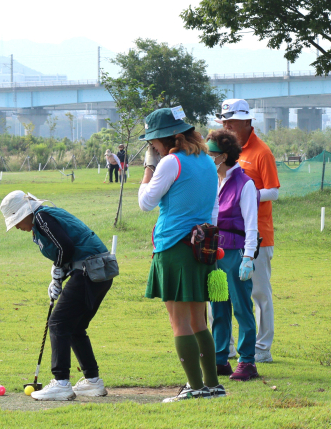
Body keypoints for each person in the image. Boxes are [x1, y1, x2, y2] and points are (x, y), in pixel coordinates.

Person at [138, 107, 224, 402]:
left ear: (170, 138)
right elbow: (213, 210)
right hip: (201, 247)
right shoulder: (206, 162)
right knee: (199, 320)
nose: (153, 148)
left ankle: (196, 388)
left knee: (180, 323)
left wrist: (148, 169)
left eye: (154, 144)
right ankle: (212, 385)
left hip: (174, 247)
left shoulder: (170, 162)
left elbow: (146, 203)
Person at [0, 191, 113, 401]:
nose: (16, 226)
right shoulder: (43, 219)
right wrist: (57, 275)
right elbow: (66, 249)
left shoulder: (41, 217)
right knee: (74, 327)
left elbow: (66, 247)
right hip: (98, 272)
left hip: (90, 270)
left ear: (26, 212)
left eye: (16, 220)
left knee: (58, 323)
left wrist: (59, 272)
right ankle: (92, 381)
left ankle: (61, 382)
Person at [216, 98, 280, 364]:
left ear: (247, 122)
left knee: (258, 292)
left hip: (257, 233)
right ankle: (226, 348)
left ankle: (261, 347)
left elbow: (274, 190)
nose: (227, 127)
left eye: (231, 122)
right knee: (221, 294)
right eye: (224, 122)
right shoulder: (223, 150)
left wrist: (245, 195)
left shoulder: (261, 152)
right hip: (226, 237)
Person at [207, 129, 260, 381]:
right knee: (218, 308)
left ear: (224, 155)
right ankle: (219, 359)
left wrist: (248, 256)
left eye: (212, 154)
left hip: (235, 253)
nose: (208, 158)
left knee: (241, 308)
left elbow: (251, 224)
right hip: (214, 253)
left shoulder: (245, 184)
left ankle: (247, 361)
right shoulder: (212, 180)